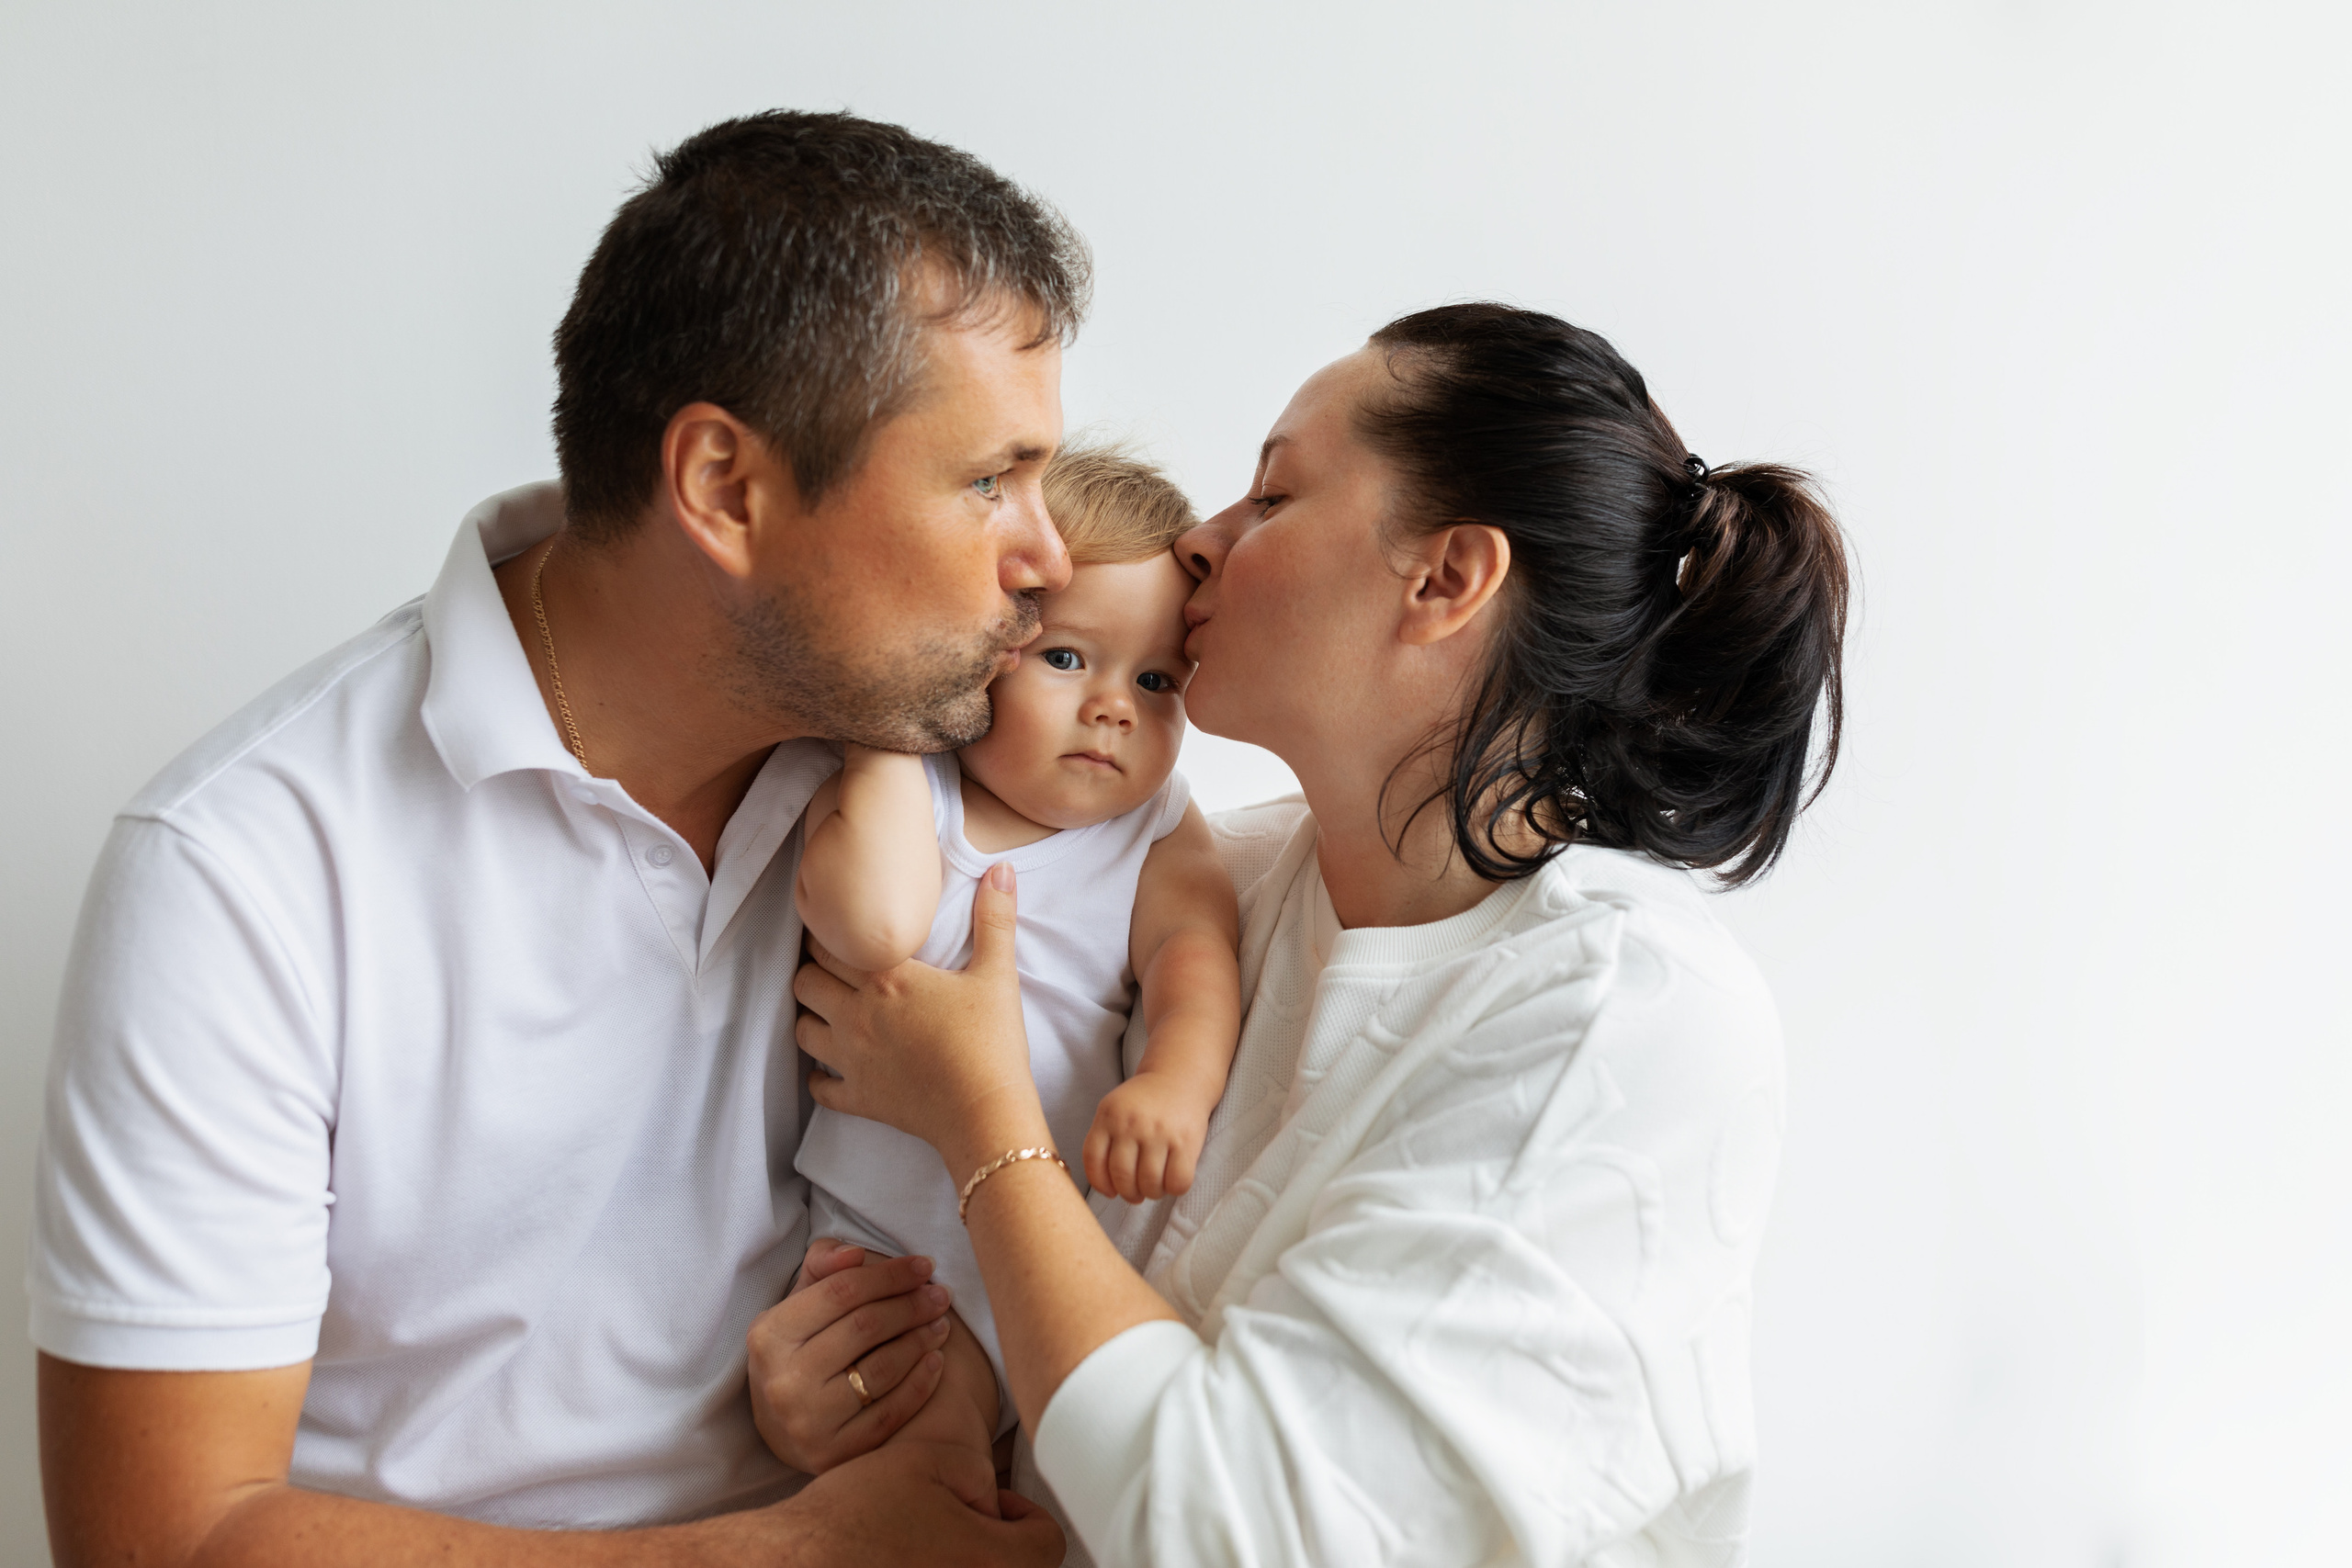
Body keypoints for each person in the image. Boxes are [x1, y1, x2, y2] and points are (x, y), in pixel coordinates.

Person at [31, 110, 1079, 1566]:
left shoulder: (938, 759)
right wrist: (795, 1553)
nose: (1049, 558)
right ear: (723, 486)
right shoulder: (243, 867)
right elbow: (163, 1536)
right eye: (988, 482)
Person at [778, 302, 1850, 1564]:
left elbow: (1238, 1531)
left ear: (1445, 579)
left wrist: (982, 1120)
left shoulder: (1623, 1008)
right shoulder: (1192, 891)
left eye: (1273, 496)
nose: (1200, 540)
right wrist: (857, 1387)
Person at [790, 445, 1242, 1489]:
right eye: (1069, 659)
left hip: (1041, 1229)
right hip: (865, 1233)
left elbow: (1194, 958)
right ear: (983, 646)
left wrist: (1177, 1081)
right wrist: (890, 725)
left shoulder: (1158, 830)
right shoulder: (916, 786)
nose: (1115, 706)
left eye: (1158, 678)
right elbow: (869, 923)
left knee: (946, 1452)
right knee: (904, 1436)